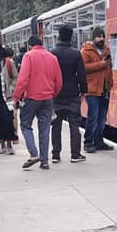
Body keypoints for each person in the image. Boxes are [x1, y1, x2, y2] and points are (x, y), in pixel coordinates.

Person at [13, 35, 62, 170]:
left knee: (25, 124)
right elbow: (59, 81)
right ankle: (45, 161)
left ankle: (34, 154)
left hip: (31, 98)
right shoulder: (52, 57)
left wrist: (17, 97)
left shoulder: (29, 56)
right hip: (48, 98)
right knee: (44, 129)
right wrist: (52, 94)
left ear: (30, 45)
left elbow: (23, 79)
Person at [50, 25, 87, 163]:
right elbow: (82, 74)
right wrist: (83, 90)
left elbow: (49, 74)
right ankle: (75, 154)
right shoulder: (76, 53)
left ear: (59, 36)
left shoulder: (52, 52)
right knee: (74, 124)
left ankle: (55, 155)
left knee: (55, 125)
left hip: (56, 94)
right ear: (71, 37)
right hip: (72, 93)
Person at [80, 26, 114, 152]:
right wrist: (101, 64)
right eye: (99, 36)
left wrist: (110, 83)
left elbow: (109, 67)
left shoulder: (106, 49)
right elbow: (83, 68)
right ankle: (88, 142)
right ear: (93, 38)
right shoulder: (86, 51)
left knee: (102, 118)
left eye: (103, 36)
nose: (101, 39)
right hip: (92, 89)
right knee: (93, 117)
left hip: (105, 88)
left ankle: (99, 141)